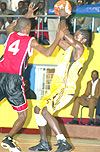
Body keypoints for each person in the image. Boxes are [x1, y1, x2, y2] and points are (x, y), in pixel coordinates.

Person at [0, 3, 64, 152]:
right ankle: (8, 139)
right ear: (28, 29)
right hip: (13, 79)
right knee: (22, 115)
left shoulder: (10, 34)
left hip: (0, 75)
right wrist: (57, 38)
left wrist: (27, 15)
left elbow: (15, 25)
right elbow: (48, 53)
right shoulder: (30, 41)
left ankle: (9, 140)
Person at [28, 8, 90, 152]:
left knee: (44, 111)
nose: (74, 37)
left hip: (65, 89)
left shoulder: (81, 49)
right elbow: (60, 36)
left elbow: (66, 35)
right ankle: (44, 143)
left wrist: (63, 17)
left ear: (83, 40)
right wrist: (61, 20)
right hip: (55, 89)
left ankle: (63, 142)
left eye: (77, 36)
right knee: (38, 109)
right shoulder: (70, 48)